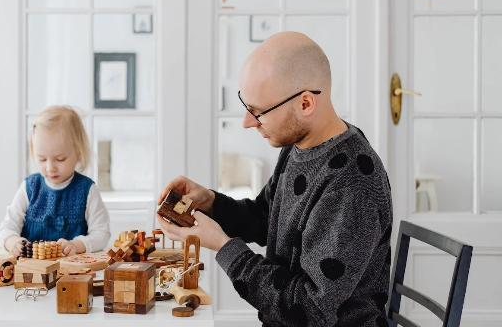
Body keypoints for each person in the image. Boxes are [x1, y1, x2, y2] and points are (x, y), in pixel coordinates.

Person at [157, 32, 392, 326]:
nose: (247, 122)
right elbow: (267, 218)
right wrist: (212, 203)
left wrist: (224, 246)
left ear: (306, 104)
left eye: (258, 112)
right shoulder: (301, 145)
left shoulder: (352, 183)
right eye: (246, 107)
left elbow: (310, 310)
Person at [0, 105, 110, 257]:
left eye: (60, 159)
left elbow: (101, 234)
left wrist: (77, 245)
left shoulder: (87, 190)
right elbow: (6, 227)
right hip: (31, 272)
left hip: (72, 273)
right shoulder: (30, 187)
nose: (50, 168)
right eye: (42, 159)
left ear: (78, 152)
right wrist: (13, 242)